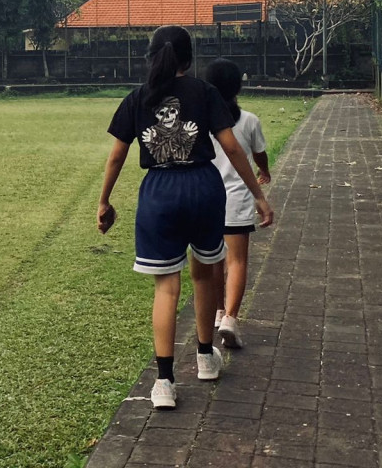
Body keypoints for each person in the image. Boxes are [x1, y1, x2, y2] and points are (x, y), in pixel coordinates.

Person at [97, 26, 273, 411]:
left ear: (150, 57)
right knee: (206, 271)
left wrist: (104, 201)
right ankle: (206, 357)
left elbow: (116, 156)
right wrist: (258, 195)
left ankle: (163, 383)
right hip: (203, 188)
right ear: (190, 59)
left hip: (159, 192)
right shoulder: (205, 93)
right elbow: (230, 146)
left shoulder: (137, 98)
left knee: (166, 287)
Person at [205, 58, 272, 350]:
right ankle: (231, 317)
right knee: (238, 260)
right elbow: (259, 154)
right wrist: (265, 173)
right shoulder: (249, 121)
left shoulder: (200, 122)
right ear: (238, 87)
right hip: (237, 200)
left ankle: (218, 312)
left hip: (205, 199)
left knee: (214, 261)